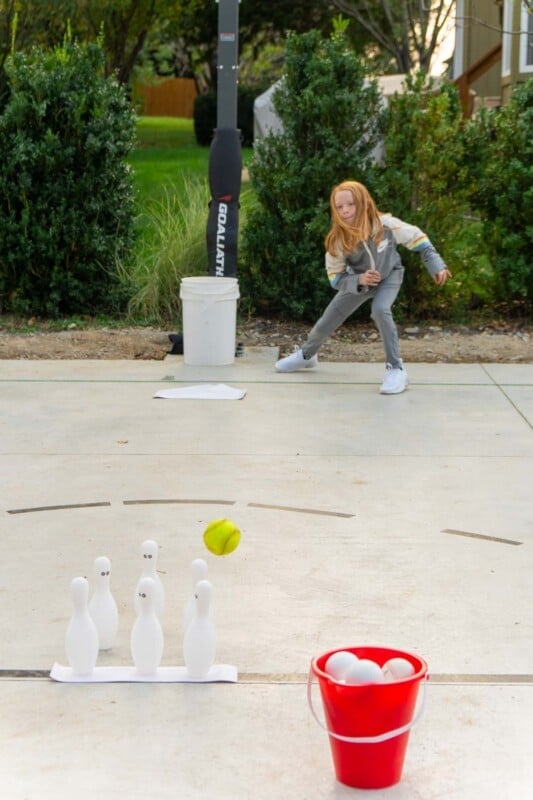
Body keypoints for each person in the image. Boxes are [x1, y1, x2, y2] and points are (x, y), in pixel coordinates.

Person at [275, 180, 452, 394]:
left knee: (380, 310)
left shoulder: (385, 224)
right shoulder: (337, 240)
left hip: (389, 276)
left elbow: (419, 239)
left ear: (363, 202)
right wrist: (359, 280)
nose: (345, 210)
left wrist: (436, 266)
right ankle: (306, 356)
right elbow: (335, 279)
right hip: (358, 282)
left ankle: (396, 369)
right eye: (339, 207)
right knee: (326, 321)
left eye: (350, 204)